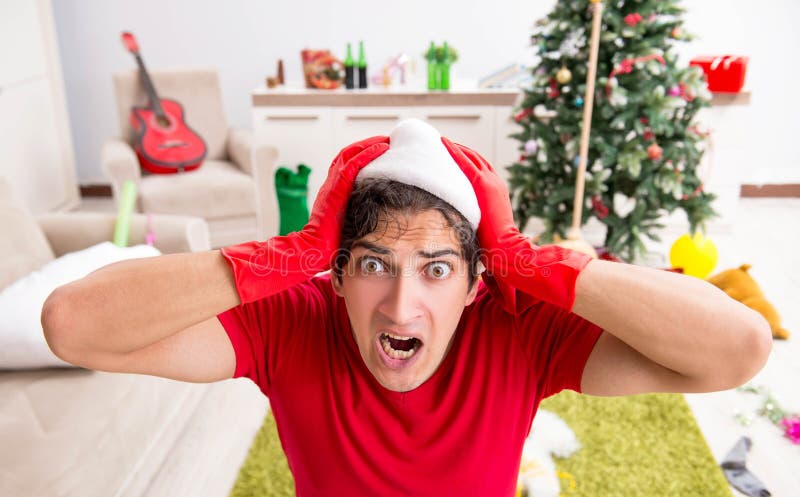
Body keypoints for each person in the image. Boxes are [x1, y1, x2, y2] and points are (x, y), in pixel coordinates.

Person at [42, 119, 772, 496]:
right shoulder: (292, 320)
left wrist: (529, 259)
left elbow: (737, 347)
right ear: (334, 273)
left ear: (476, 281)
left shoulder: (517, 329)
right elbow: (72, 324)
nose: (400, 304)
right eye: (371, 264)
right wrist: (286, 254)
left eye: (436, 268)